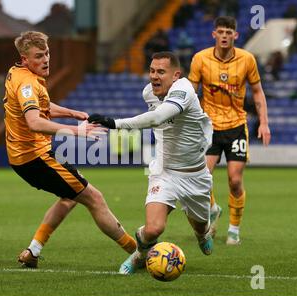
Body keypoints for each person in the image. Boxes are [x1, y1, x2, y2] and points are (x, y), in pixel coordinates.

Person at [4, 31, 137, 268]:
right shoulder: (27, 83)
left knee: (69, 198)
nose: (45, 60)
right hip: (35, 157)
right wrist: (77, 130)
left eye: (46, 53)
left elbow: (42, 106)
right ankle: (138, 253)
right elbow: (34, 121)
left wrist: (71, 113)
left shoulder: (17, 73)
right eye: (38, 56)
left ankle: (33, 251)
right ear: (25, 59)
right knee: (94, 198)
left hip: (24, 158)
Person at [88, 51, 215, 275]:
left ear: (176, 75)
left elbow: (156, 118)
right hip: (164, 171)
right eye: (152, 70)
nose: (154, 76)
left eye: (161, 72)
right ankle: (139, 255)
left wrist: (114, 123)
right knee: (154, 228)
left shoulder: (184, 90)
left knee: (201, 225)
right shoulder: (149, 93)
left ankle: (201, 234)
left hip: (195, 173)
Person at [188, 16, 271, 245]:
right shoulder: (200, 59)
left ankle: (234, 230)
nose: (224, 36)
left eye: (229, 32)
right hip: (209, 127)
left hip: (236, 126)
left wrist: (263, 122)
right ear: (213, 34)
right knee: (201, 177)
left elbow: (257, 92)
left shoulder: (247, 59)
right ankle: (213, 209)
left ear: (236, 35)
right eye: (221, 32)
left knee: (234, 180)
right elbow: (190, 92)